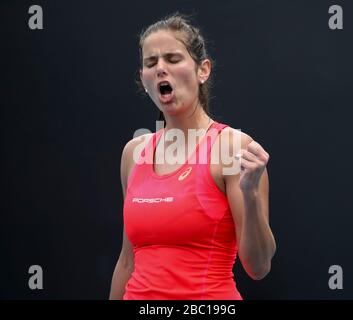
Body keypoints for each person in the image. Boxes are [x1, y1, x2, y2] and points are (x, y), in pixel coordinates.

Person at [109, 13, 276, 300]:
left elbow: (258, 267)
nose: (161, 68)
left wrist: (251, 195)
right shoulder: (133, 153)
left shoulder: (232, 146)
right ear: (143, 79)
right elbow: (128, 260)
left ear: (203, 70)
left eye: (173, 59)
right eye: (151, 63)